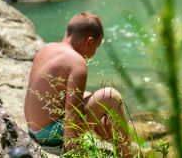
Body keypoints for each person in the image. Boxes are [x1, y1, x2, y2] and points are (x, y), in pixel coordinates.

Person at [24, 12, 132, 156]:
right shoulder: (77, 63)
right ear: (89, 41)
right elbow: (72, 114)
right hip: (49, 134)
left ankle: (115, 142)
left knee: (90, 96)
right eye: (96, 47)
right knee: (111, 96)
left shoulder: (47, 48)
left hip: (32, 129)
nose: (94, 52)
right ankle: (127, 154)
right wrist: (74, 150)